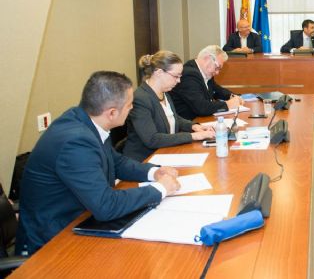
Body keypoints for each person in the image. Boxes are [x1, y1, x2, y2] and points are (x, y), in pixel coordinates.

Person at [15, 71, 181, 255]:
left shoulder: (86, 120)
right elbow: (106, 206)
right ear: (111, 113)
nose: (132, 108)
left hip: (82, 217)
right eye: (129, 105)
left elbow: (115, 162)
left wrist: (153, 173)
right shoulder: (75, 142)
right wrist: (160, 189)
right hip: (52, 242)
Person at [124, 51, 215, 162]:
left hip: (165, 153)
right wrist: (193, 136)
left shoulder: (165, 92)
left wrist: (194, 127)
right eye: (175, 76)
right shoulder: (140, 99)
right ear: (159, 73)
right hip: (144, 160)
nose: (179, 81)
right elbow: (152, 139)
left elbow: (173, 117)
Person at [171, 45, 243, 120]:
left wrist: (232, 96)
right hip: (189, 124)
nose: (217, 72)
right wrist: (228, 104)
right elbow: (202, 108)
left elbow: (217, 90)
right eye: (217, 67)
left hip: (200, 120)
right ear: (207, 58)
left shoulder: (204, 72)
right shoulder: (189, 75)